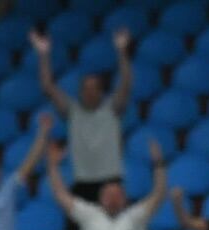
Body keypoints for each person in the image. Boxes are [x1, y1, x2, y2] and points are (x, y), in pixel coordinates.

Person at [32, 27, 133, 211]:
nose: (89, 92)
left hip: (111, 182)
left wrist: (122, 52)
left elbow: (126, 83)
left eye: (94, 88)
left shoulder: (112, 108)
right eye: (85, 88)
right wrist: (43, 54)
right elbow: (48, 86)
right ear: (79, 92)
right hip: (83, 183)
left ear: (101, 91)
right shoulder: (72, 111)